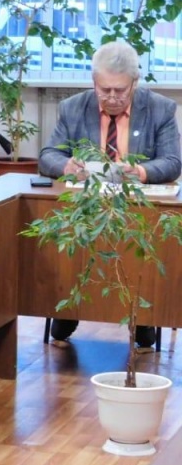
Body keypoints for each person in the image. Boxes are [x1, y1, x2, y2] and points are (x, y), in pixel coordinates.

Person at [39, 40, 182, 348]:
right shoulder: (73, 107)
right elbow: (47, 155)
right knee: (70, 241)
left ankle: (144, 315)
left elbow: (173, 161)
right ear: (94, 82)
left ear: (135, 82)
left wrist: (140, 172)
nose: (113, 98)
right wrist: (66, 165)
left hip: (136, 208)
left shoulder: (160, 108)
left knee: (140, 246)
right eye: (105, 90)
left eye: (120, 90)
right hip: (86, 206)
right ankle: (69, 307)